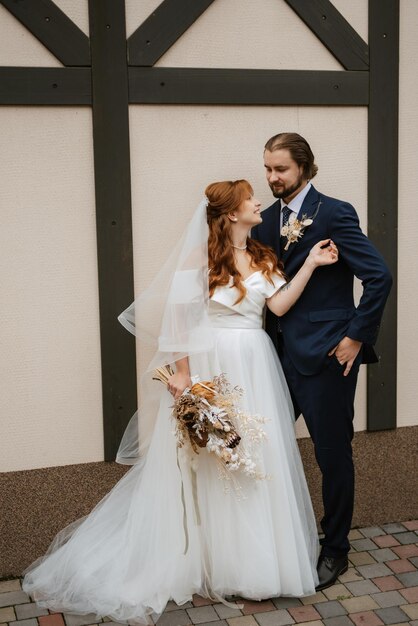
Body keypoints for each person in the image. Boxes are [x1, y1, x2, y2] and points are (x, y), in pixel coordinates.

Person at [23, 180, 338, 624]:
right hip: (214, 364)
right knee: (212, 460)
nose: (259, 203)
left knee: (254, 455)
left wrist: (312, 264)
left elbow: (281, 307)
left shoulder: (266, 256)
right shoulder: (201, 260)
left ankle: (259, 562)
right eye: (251, 199)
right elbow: (178, 319)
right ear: (232, 213)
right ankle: (211, 559)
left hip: (256, 363)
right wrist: (185, 375)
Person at [251, 133, 393, 591]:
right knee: (261, 448)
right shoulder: (265, 220)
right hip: (275, 357)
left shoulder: (335, 212)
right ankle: (268, 539)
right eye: (268, 169)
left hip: (328, 356)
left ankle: (335, 549)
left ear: (305, 168)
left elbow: (379, 277)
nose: (272, 178)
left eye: (281, 170)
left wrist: (354, 337)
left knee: (332, 455)